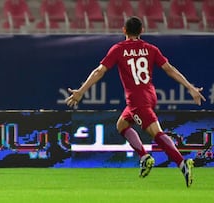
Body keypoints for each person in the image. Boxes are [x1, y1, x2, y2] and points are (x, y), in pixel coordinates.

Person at [65, 16, 206, 187]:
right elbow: (170, 70)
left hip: (136, 100)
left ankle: (182, 163)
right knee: (121, 125)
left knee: (156, 132)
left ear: (124, 30)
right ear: (142, 31)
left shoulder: (118, 49)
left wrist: (81, 91)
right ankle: (145, 156)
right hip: (149, 95)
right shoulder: (151, 49)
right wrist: (190, 87)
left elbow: (98, 72)